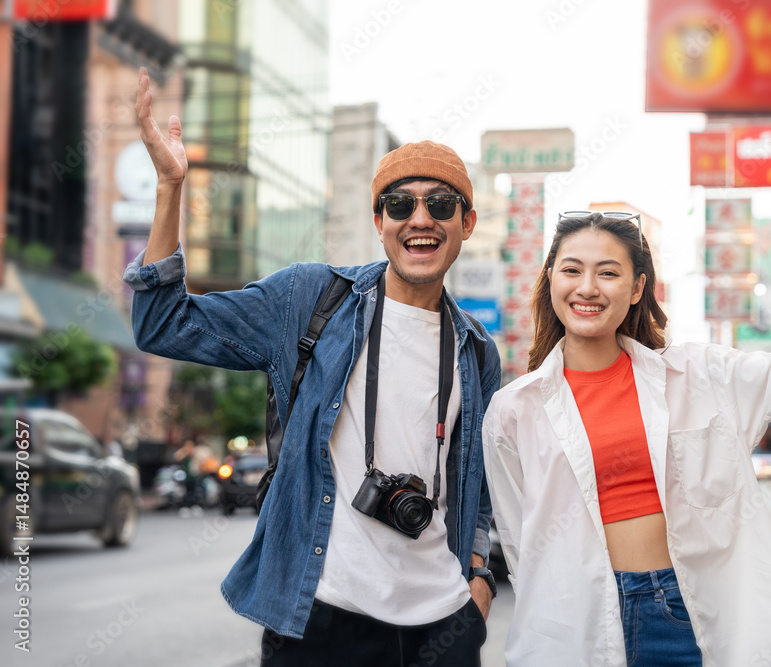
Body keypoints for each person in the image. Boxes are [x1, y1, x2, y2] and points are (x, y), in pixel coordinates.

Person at [124, 68, 500, 666]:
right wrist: (171, 187)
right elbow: (162, 324)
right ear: (380, 223)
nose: (420, 219)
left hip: (442, 626)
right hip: (321, 620)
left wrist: (477, 579)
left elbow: (473, 484)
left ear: (466, 223)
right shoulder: (310, 301)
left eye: (441, 204)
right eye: (400, 204)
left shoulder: (477, 349)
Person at [482, 137, 771, 666]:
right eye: (571, 270)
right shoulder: (512, 411)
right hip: (574, 624)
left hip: (682, 614)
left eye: (608, 272)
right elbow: (524, 544)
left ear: (637, 289)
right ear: (550, 281)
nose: (587, 287)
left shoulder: (698, 376)